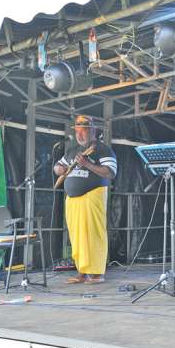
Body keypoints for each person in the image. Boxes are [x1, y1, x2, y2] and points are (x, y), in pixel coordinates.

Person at [53, 115, 117, 284]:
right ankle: (82, 271)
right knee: (77, 236)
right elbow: (57, 167)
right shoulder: (72, 150)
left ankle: (96, 273)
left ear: (93, 131)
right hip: (73, 200)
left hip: (92, 196)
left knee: (93, 234)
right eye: (78, 131)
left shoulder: (103, 150)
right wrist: (60, 169)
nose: (80, 134)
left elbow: (110, 173)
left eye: (84, 131)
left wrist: (88, 164)